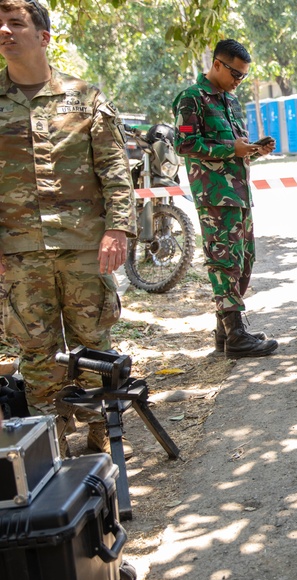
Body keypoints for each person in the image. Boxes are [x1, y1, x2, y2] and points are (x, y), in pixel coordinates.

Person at [0, 0, 135, 456]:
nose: (4, 31)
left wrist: (118, 228)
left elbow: (115, 168)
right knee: (36, 352)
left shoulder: (85, 97)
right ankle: (51, 448)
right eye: (0, 25)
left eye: (15, 23)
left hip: (84, 246)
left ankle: (103, 436)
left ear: (43, 36)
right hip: (20, 250)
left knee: (93, 342)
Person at [173, 39, 278, 359]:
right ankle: (236, 335)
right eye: (235, 73)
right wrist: (231, 149)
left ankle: (225, 333)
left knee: (245, 261)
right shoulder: (192, 98)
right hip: (214, 196)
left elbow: (236, 153)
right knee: (225, 264)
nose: (238, 81)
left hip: (240, 195)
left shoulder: (230, 102)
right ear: (217, 64)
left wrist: (254, 151)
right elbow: (185, 145)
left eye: (243, 76)